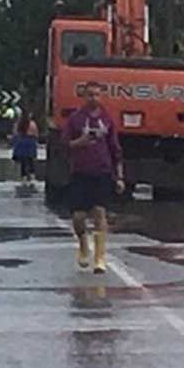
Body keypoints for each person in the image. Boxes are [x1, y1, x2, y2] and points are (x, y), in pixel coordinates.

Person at [63, 82, 125, 274]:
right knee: (78, 217)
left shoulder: (107, 119)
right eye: (90, 95)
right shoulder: (75, 119)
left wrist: (120, 177)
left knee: (100, 212)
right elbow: (64, 145)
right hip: (80, 173)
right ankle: (83, 244)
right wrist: (79, 142)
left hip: (102, 172)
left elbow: (115, 150)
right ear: (84, 96)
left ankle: (99, 257)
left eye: (97, 95)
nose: (94, 98)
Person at [11, 114, 39, 185]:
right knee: (31, 160)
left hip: (21, 142)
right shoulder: (32, 124)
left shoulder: (18, 123)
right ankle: (32, 177)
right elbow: (36, 133)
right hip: (30, 142)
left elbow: (15, 133)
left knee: (23, 161)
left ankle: (24, 178)